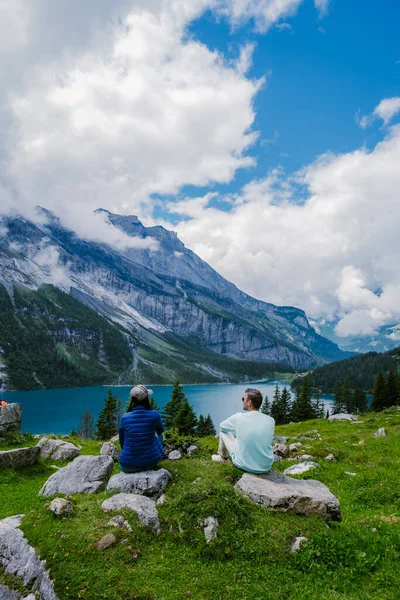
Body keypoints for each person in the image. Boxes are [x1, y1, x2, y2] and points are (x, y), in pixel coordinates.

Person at [212, 388, 275, 474]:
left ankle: (223, 458)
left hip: (244, 465)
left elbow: (222, 427)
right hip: (265, 466)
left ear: (249, 402)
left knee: (223, 432)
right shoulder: (271, 420)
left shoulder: (239, 417)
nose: (242, 401)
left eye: (243, 399)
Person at [118, 384, 164, 473]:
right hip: (150, 463)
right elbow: (160, 430)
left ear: (132, 399)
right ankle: (159, 455)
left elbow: (122, 441)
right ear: (146, 399)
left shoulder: (124, 418)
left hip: (127, 465)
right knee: (159, 434)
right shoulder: (154, 415)